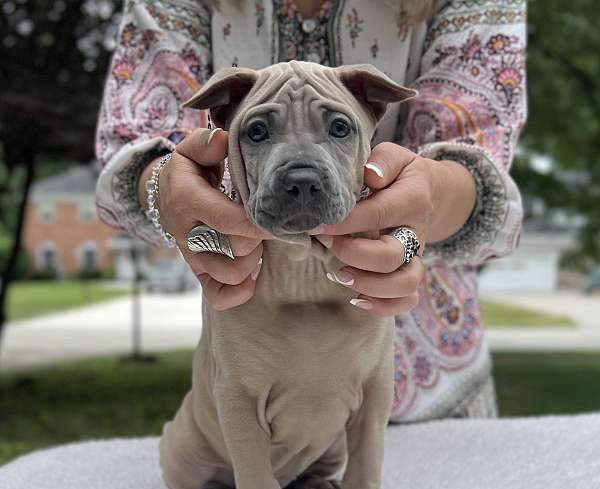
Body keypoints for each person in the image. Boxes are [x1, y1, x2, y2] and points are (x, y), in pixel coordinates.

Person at [95, 0, 526, 422]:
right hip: (263, 389)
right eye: (259, 129)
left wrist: (427, 206)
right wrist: (163, 188)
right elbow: (134, 147)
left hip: (429, 391)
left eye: (340, 126)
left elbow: (480, 161)